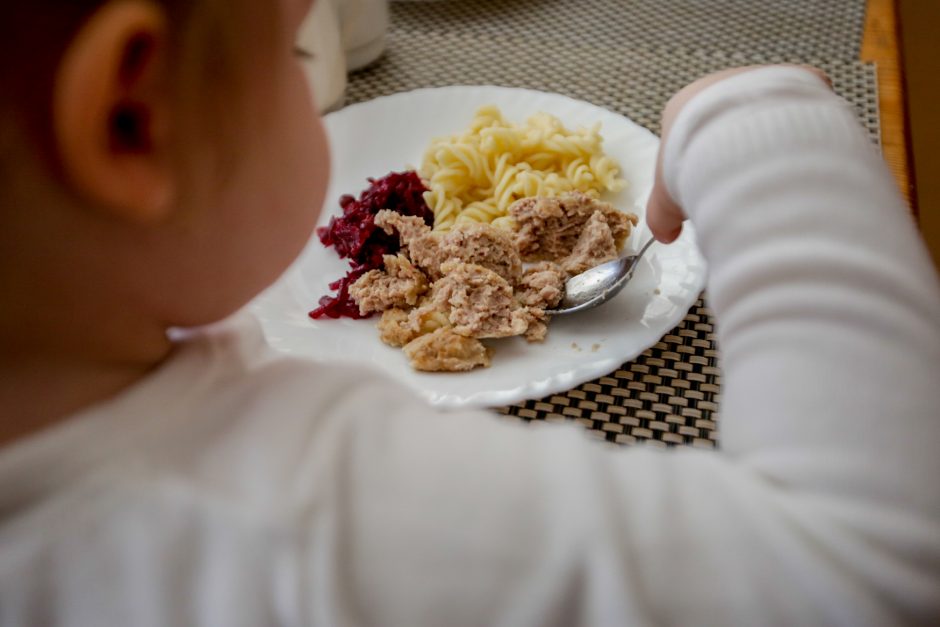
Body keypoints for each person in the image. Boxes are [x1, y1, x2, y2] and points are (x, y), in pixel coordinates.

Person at [1, 0, 938, 625]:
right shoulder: (308, 510)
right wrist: (760, 133)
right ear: (134, 119)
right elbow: (869, 563)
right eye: (291, 46)